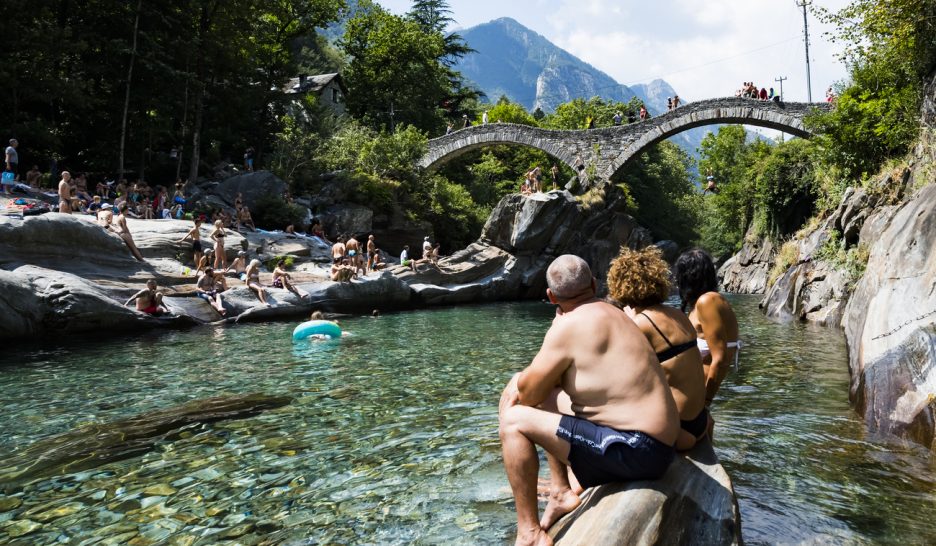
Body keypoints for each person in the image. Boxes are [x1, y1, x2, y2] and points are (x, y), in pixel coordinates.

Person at [498, 255, 679, 545]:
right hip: (659, 445)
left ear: (551, 296)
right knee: (550, 397)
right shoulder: (615, 313)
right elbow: (543, 391)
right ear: (594, 284)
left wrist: (516, 380)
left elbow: (528, 394)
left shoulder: (567, 327)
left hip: (637, 450)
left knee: (513, 421)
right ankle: (561, 492)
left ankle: (529, 533)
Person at [607, 247, 709, 451]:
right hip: (700, 422)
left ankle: (570, 481)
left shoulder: (641, 323)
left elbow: (612, 376)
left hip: (678, 430)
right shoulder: (677, 314)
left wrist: (627, 323)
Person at [674, 249, 741, 405]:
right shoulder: (703, 302)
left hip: (698, 399)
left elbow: (720, 358)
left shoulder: (707, 301)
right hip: (693, 396)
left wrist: (706, 402)